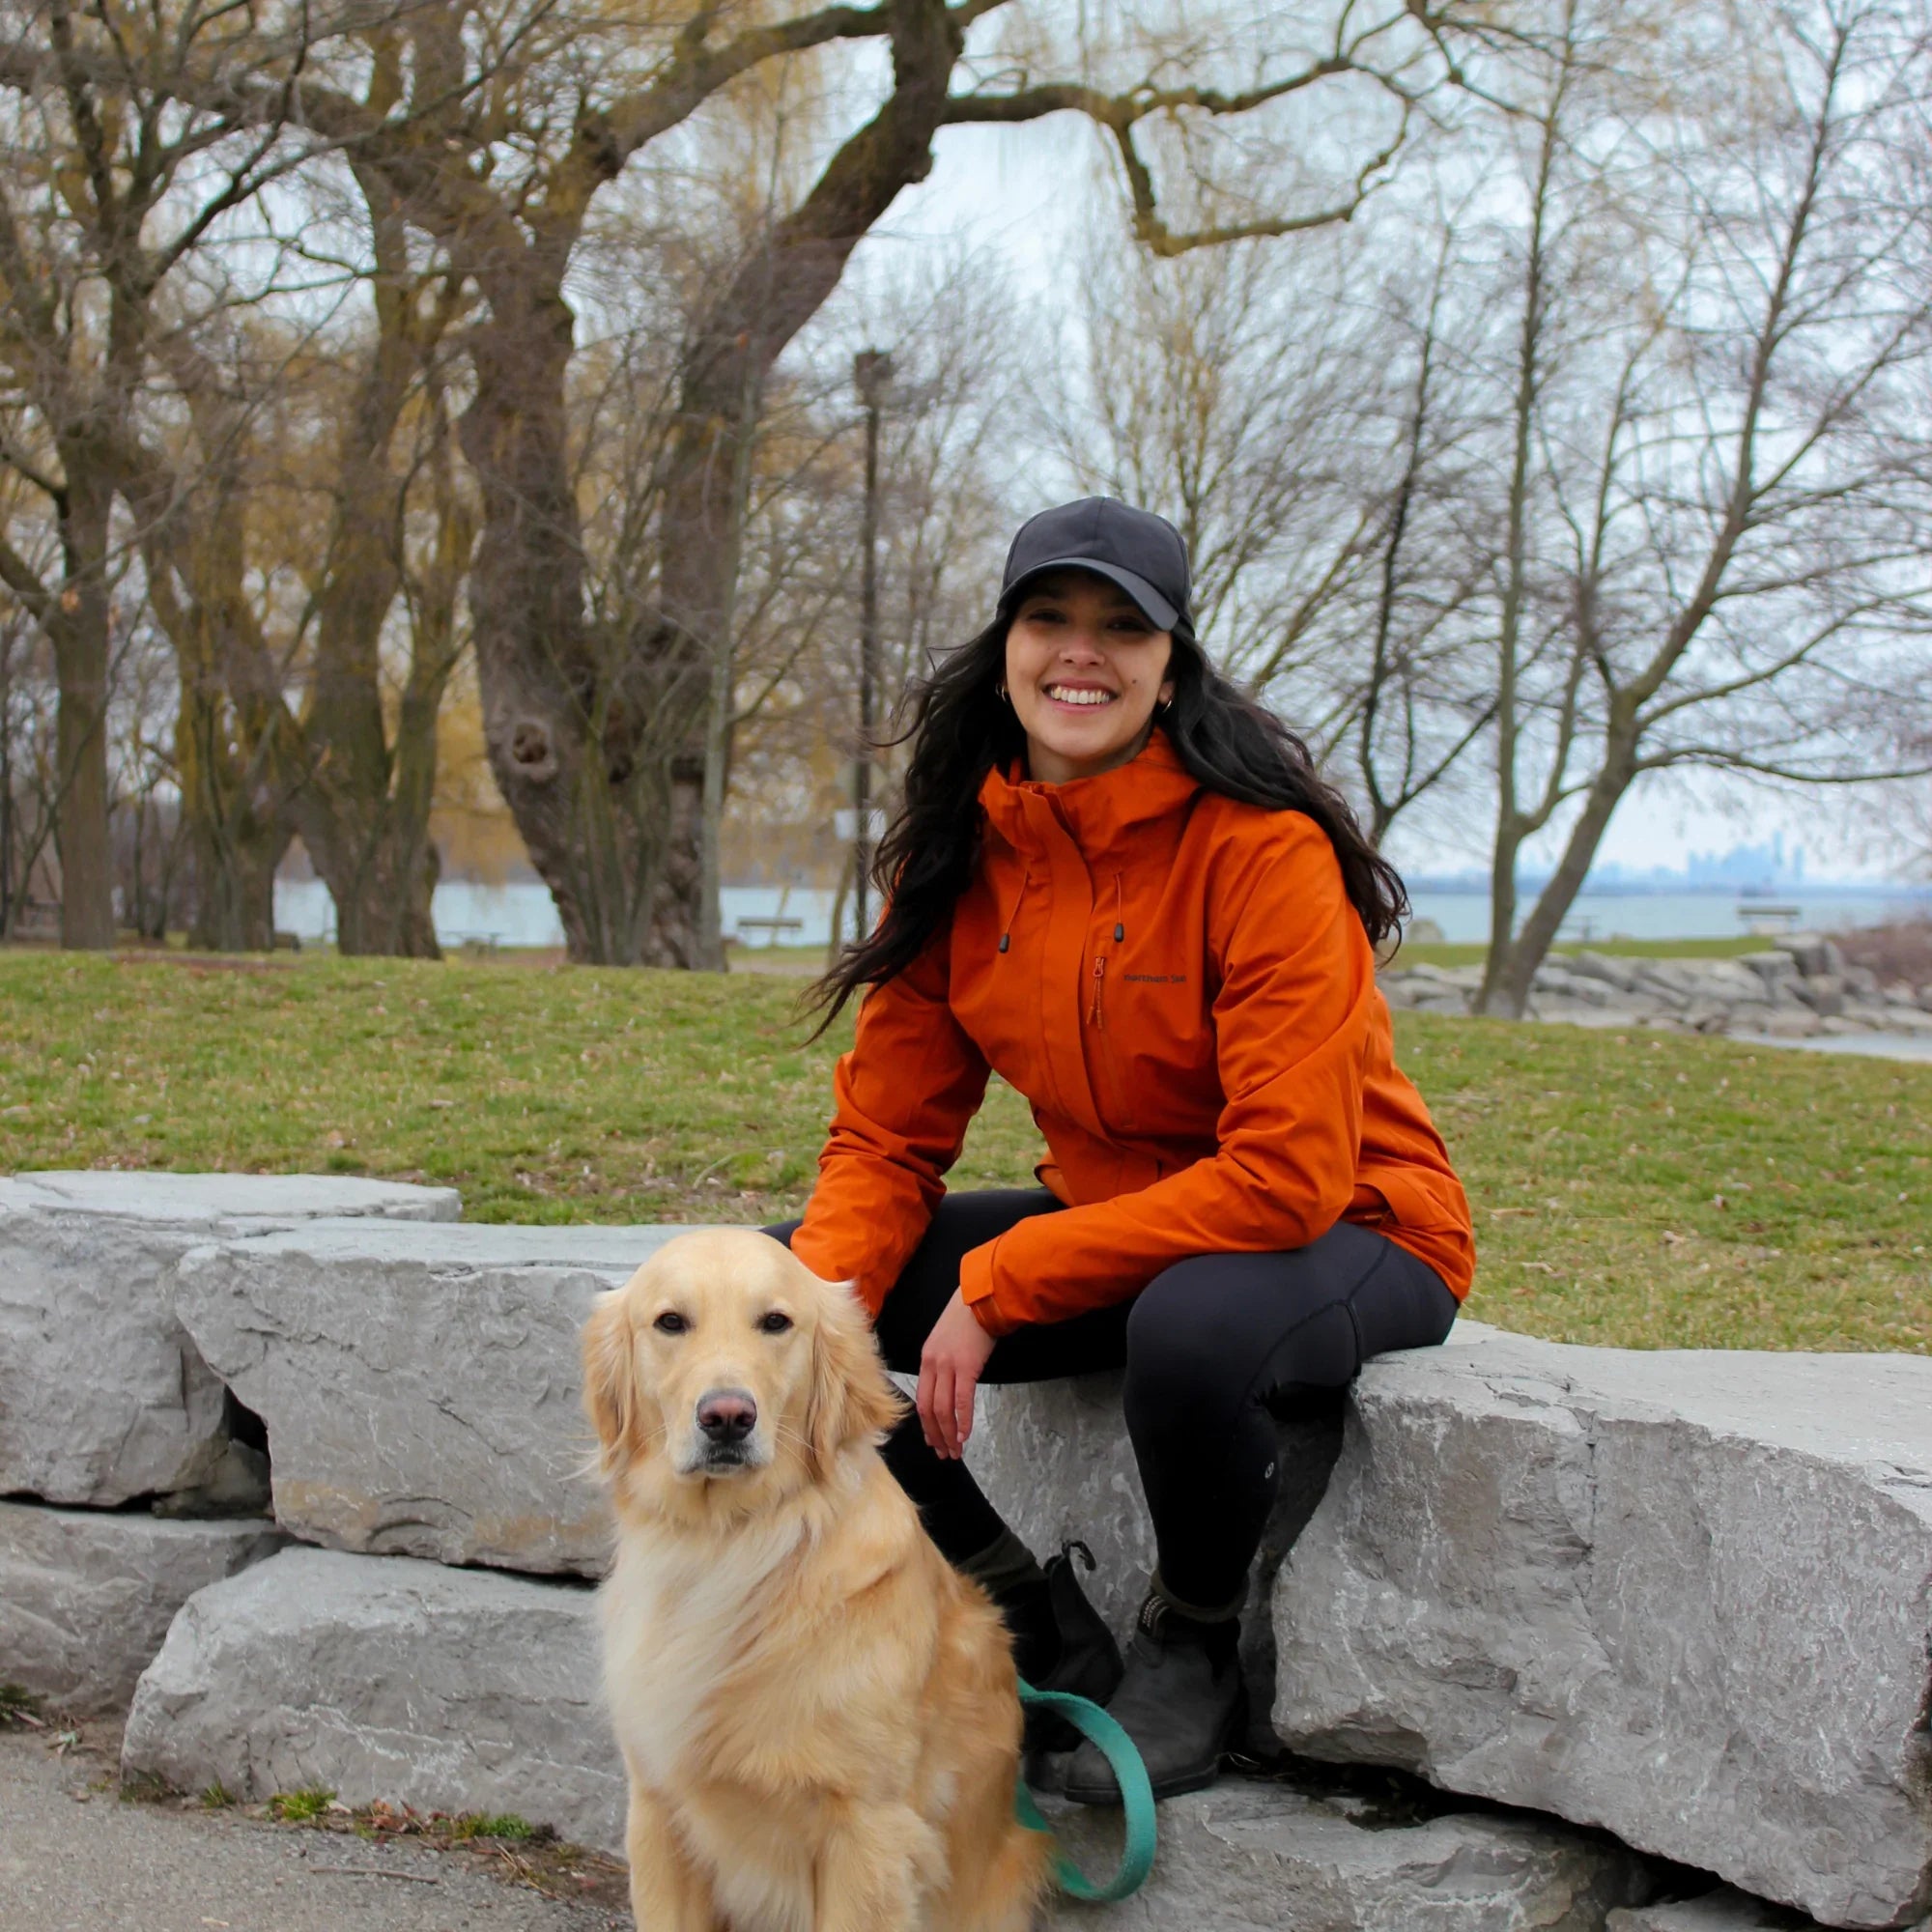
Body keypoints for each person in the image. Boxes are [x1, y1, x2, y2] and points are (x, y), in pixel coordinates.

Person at [770, 497, 1473, 1806]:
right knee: (782, 1300)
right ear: (1007, 645)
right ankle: (1016, 1615)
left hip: (1353, 1232)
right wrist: (821, 1309)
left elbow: (1284, 1177)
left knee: (1197, 1325)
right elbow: (885, 1136)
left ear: (1170, 662)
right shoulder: (957, 854)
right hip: (1130, 1226)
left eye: (1121, 628)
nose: (1080, 654)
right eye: (1051, 620)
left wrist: (1005, 1284)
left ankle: (1194, 1646)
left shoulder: (1262, 852)